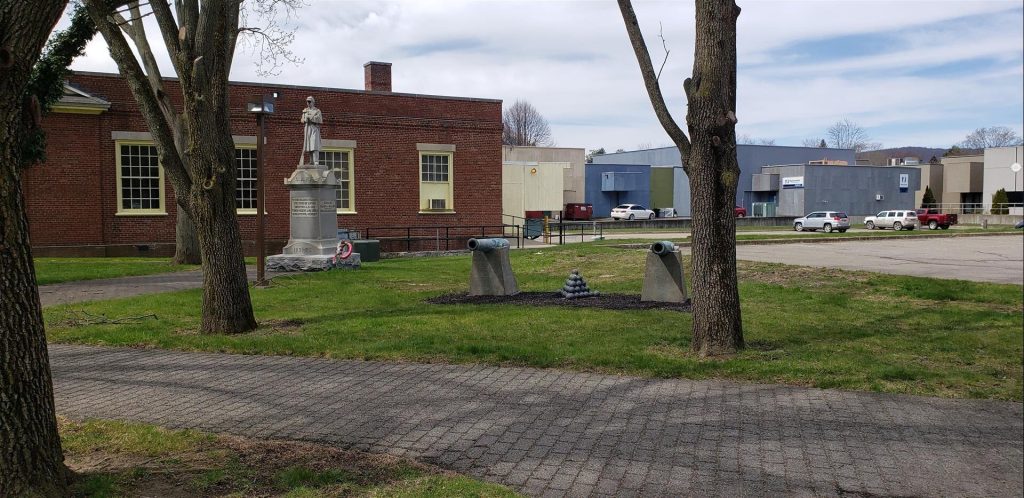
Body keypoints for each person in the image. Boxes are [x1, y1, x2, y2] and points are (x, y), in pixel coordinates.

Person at [300, 96, 323, 166]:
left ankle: (316, 161)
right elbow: (302, 120)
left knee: (314, 145)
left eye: (309, 101)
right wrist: (304, 119)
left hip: (314, 129)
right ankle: (311, 161)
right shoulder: (305, 111)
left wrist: (310, 118)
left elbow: (320, 120)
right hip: (307, 128)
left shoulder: (317, 111)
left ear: (313, 102)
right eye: (307, 101)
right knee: (309, 145)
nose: (308, 103)